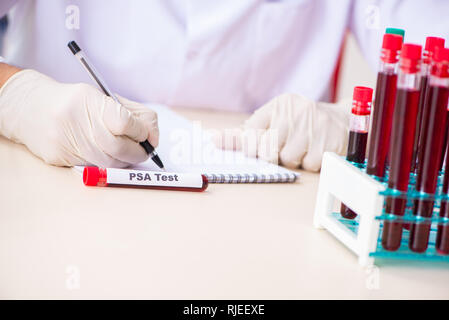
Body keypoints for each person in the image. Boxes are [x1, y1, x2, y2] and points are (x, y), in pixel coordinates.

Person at [0, 1, 448, 171]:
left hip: (274, 215)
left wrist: (373, 131)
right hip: (50, 182)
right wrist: (18, 100)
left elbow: (437, 57)